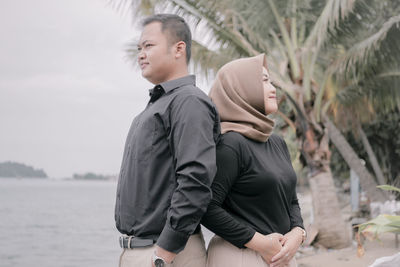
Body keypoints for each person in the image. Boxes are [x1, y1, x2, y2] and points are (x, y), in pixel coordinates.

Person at [115, 14, 220, 267]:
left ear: (178, 49)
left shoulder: (188, 101)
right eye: (139, 48)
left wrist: (165, 251)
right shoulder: (156, 106)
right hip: (141, 250)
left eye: (148, 46)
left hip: (166, 254)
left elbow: (196, 179)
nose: (141, 54)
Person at [201, 54, 306, 267]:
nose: (273, 88)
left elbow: (290, 199)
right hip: (240, 255)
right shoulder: (230, 144)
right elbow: (206, 207)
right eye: (265, 81)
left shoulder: (276, 142)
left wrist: (298, 232)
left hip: (280, 255)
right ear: (241, 89)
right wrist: (260, 243)